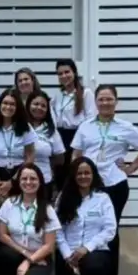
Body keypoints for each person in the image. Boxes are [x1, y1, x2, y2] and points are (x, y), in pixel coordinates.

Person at [69, 84, 138, 275]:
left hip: (114, 185)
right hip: (87, 185)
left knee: (110, 231)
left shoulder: (125, 127)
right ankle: (82, 271)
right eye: (101, 99)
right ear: (95, 102)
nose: (105, 103)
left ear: (116, 102)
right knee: (85, 226)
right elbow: (76, 155)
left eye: (109, 99)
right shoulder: (86, 126)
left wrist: (131, 168)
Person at [54, 158, 116, 275]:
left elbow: (110, 229)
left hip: (94, 251)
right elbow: (56, 230)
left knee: (93, 265)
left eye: (87, 173)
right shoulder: (63, 198)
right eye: (79, 173)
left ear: (93, 175)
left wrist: (86, 248)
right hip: (69, 251)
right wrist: (67, 254)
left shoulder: (103, 199)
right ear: (73, 176)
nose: (83, 177)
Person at [0, 163, 60, 275]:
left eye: (33, 179)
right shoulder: (9, 204)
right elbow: (2, 235)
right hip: (16, 252)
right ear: (18, 182)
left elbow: (49, 246)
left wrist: (29, 260)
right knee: (4, 254)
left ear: (40, 182)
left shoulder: (47, 209)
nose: (28, 182)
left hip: (40, 256)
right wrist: (25, 253)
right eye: (24, 179)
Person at [0, 90, 37, 218]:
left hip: (20, 175)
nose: (8, 107)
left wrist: (12, 183)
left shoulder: (25, 127)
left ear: (17, 107)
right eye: (5, 103)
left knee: (19, 215)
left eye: (12, 104)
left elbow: (30, 156)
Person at [52, 59, 95, 188]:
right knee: (61, 176)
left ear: (74, 72)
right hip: (61, 138)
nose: (64, 76)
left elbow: (91, 119)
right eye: (60, 74)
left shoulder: (86, 93)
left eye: (67, 72)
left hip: (78, 137)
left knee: (76, 175)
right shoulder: (58, 95)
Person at [27, 91, 65, 195]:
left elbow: (60, 158)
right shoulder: (19, 127)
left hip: (44, 180)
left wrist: (46, 163)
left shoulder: (51, 131)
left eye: (43, 106)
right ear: (28, 105)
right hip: (21, 179)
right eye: (35, 104)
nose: (39, 108)